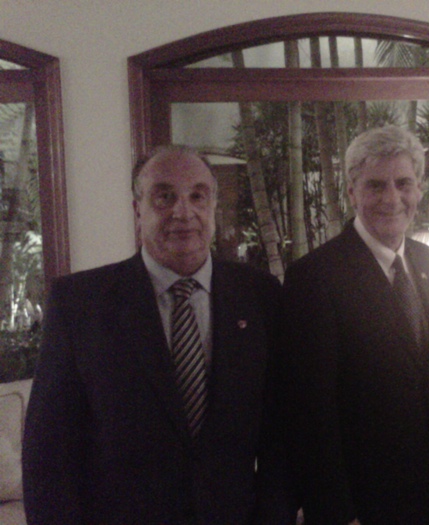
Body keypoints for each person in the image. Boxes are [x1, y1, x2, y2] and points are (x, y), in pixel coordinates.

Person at [22, 145, 295, 524]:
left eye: (197, 196)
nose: (183, 212)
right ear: (138, 210)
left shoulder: (260, 295)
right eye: (164, 196)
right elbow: (49, 452)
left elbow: (280, 433)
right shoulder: (80, 304)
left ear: (213, 205)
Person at [280, 125, 429, 525]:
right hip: (358, 504)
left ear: (418, 189)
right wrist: (338, 513)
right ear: (351, 192)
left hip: (425, 497)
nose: (392, 198)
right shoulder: (315, 277)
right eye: (376, 185)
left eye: (403, 183)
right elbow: (309, 412)